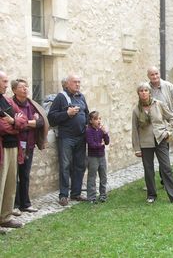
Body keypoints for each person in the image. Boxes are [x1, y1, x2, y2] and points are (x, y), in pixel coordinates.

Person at [132, 83, 173, 205]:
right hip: (145, 143)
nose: (144, 92)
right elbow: (135, 130)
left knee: (166, 168)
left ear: (150, 92)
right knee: (148, 170)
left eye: (146, 90)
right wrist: (137, 148)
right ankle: (151, 195)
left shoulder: (159, 104)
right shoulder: (136, 110)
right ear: (138, 93)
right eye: (141, 91)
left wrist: (168, 132)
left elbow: (172, 119)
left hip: (160, 139)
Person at [47, 74, 89, 206]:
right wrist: (67, 114)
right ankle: (63, 195)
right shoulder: (61, 97)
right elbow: (51, 118)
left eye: (79, 82)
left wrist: (87, 125)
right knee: (65, 166)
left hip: (81, 137)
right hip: (67, 137)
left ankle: (76, 193)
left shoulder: (81, 96)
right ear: (66, 84)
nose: (78, 84)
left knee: (80, 165)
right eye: (75, 82)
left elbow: (86, 113)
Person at [11, 79, 48, 213]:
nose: (26, 89)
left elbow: (40, 123)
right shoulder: (10, 104)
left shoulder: (31, 105)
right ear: (14, 90)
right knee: (13, 176)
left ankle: (25, 204)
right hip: (14, 145)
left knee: (25, 174)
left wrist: (23, 122)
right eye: (22, 87)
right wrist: (30, 121)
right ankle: (13, 205)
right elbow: (13, 124)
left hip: (29, 145)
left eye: (26, 87)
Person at [146, 66, 173, 185]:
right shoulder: (146, 88)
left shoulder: (168, 86)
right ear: (148, 76)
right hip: (149, 126)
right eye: (152, 74)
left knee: (164, 153)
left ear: (159, 73)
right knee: (149, 155)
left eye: (156, 73)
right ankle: (150, 182)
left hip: (164, 126)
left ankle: (165, 179)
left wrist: (171, 115)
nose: (155, 76)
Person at [0, 71, 28, 230]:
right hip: (1, 150)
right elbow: (2, 128)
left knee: (10, 185)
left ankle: (5, 217)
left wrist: (13, 121)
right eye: (4, 81)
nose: (6, 84)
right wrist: (15, 125)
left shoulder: (6, 100)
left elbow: (23, 119)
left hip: (12, 148)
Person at [86, 111, 110, 204]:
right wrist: (100, 145)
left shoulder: (101, 130)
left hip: (102, 156)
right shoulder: (88, 131)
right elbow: (91, 144)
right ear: (91, 121)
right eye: (96, 119)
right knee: (92, 177)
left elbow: (107, 142)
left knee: (103, 176)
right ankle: (91, 197)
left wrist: (105, 133)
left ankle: (103, 195)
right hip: (93, 157)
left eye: (99, 119)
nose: (98, 121)